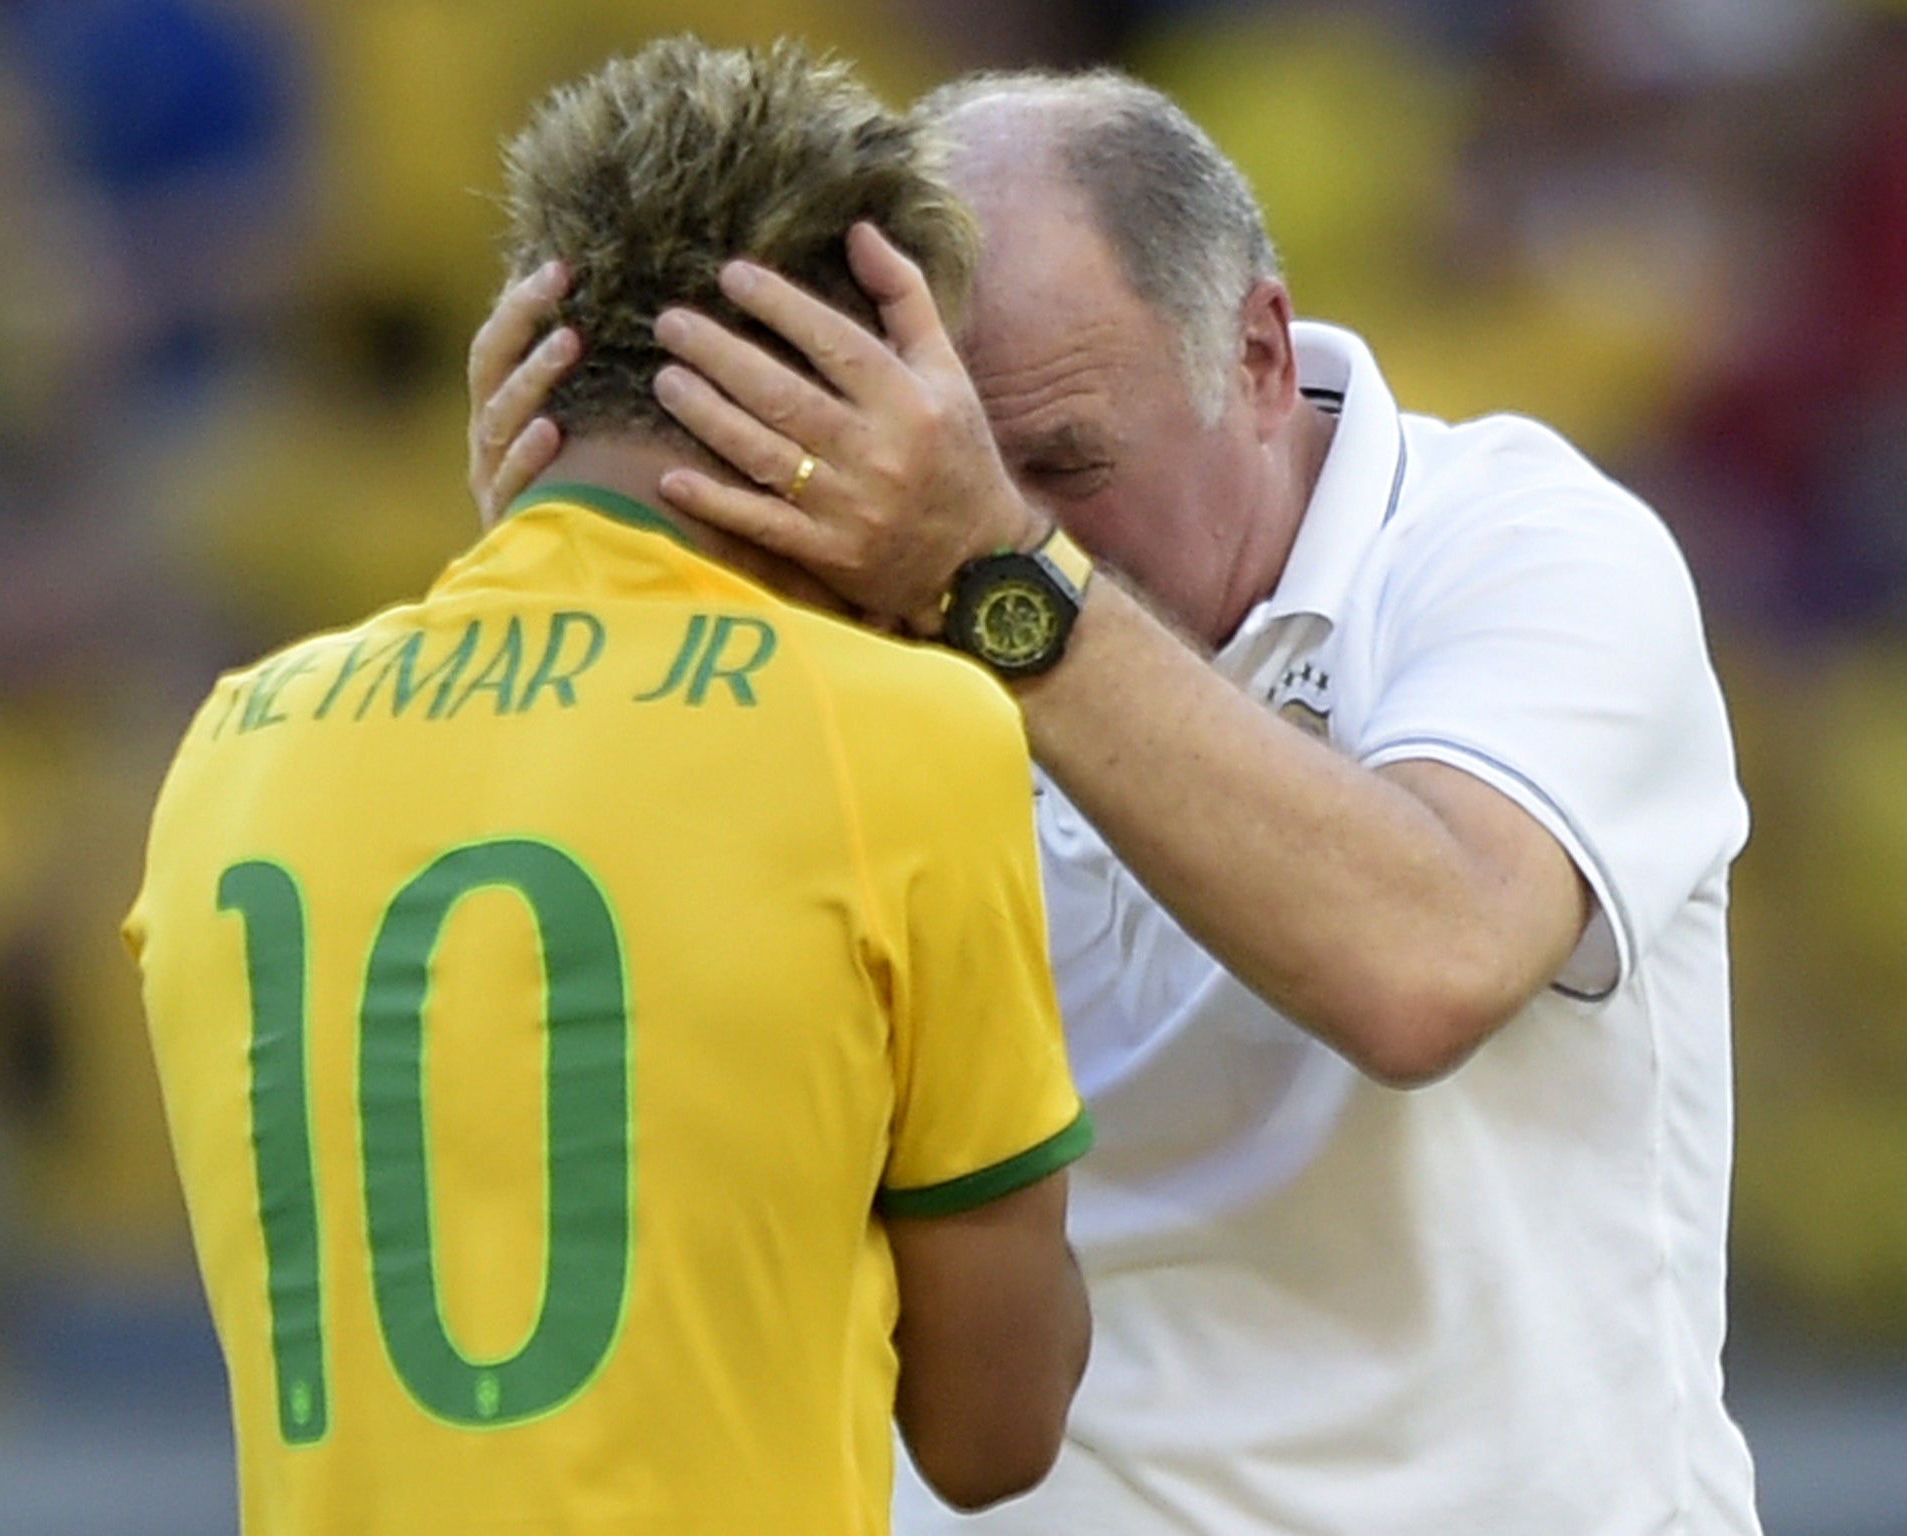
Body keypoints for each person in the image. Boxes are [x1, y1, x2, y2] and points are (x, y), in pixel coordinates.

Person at [471, 61, 1765, 1536]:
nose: (987, 504)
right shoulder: (873, 606)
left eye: (1065, 458)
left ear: (1260, 352)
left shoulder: (1530, 546)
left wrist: (999, 582)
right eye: (948, 450)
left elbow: (1433, 961)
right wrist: (567, 604)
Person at [125, 39, 1092, 1536]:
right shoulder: (905, 731)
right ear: (856, 398)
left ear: (532, 358)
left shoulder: (232, 743)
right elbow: (992, 1433)